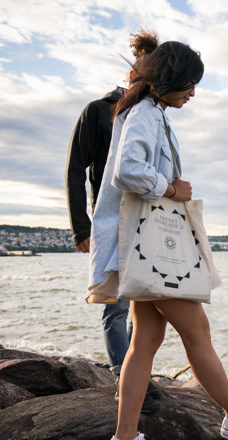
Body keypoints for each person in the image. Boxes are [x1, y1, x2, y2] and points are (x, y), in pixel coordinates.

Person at [86, 40, 228, 440]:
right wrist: (172, 188)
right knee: (197, 332)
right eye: (191, 83)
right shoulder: (145, 114)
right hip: (148, 249)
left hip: (138, 247)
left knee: (145, 341)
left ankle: (125, 438)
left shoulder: (145, 112)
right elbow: (127, 170)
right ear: (171, 79)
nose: (193, 93)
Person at [65, 29, 161, 411]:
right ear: (132, 68)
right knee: (116, 303)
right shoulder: (98, 110)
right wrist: (80, 226)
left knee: (146, 300)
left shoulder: (153, 113)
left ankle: (139, 374)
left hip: (149, 220)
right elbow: (74, 169)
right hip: (111, 220)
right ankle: (124, 375)